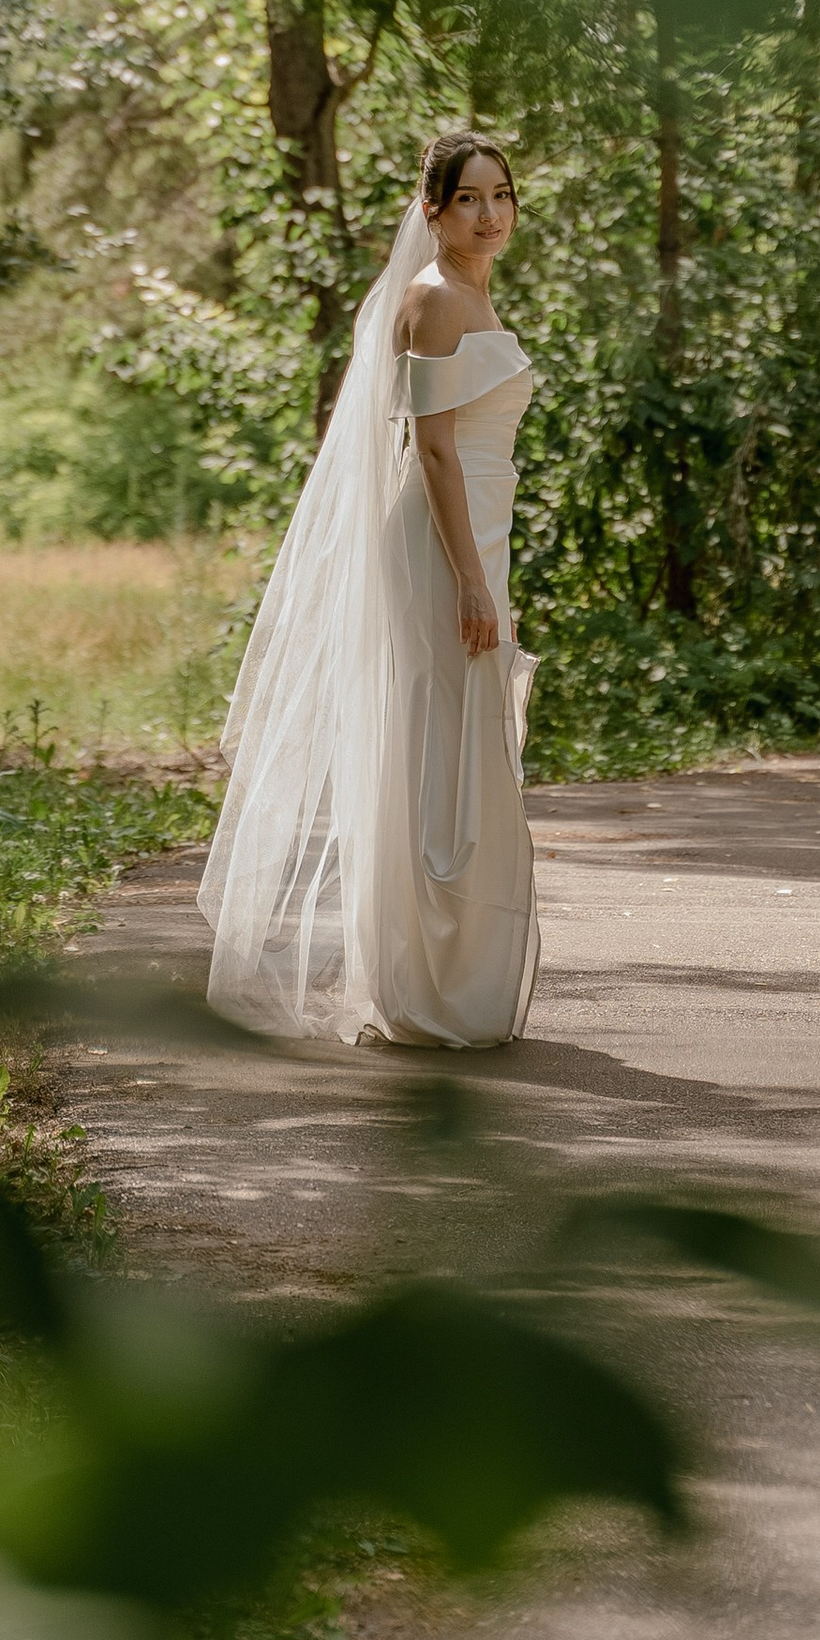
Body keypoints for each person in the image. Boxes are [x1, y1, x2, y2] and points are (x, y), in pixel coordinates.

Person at [199, 130, 539, 1047]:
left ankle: (451, 975)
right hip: (442, 542)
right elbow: (430, 449)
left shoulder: (474, 292)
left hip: (481, 529)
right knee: (437, 746)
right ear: (431, 208)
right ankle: (424, 987)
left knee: (460, 743)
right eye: (469, 198)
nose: (491, 214)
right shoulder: (433, 299)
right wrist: (471, 581)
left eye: (501, 195)